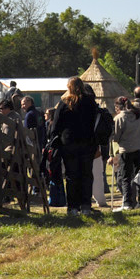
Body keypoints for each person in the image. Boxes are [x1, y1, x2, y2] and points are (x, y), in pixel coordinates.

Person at [50, 76, 102, 218]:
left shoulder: (64, 102)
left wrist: (54, 139)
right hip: (87, 143)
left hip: (69, 143)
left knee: (71, 176)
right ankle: (85, 205)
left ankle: (73, 207)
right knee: (86, 174)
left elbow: (56, 125)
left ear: (69, 87)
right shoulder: (90, 102)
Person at [112, 96, 140, 210]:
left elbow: (116, 137)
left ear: (118, 107)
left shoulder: (119, 118)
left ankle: (127, 203)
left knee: (125, 176)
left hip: (126, 150)